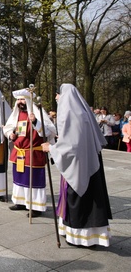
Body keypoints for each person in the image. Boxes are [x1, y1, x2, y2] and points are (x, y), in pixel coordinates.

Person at [42, 84, 112, 247]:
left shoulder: (70, 113)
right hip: (90, 164)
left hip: (78, 166)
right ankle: (93, 236)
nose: (56, 98)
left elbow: (70, 147)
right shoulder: (82, 112)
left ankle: (79, 237)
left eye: (58, 94)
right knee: (91, 199)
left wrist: (51, 148)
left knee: (79, 199)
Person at [3, 88, 56, 217]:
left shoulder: (38, 114)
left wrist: (36, 122)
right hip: (19, 152)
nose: (20, 102)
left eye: (22, 99)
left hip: (33, 153)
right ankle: (20, 201)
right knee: (19, 178)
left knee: (33, 180)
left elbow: (49, 132)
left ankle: (35, 207)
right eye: (18, 100)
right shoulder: (17, 114)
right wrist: (11, 135)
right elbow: (8, 128)